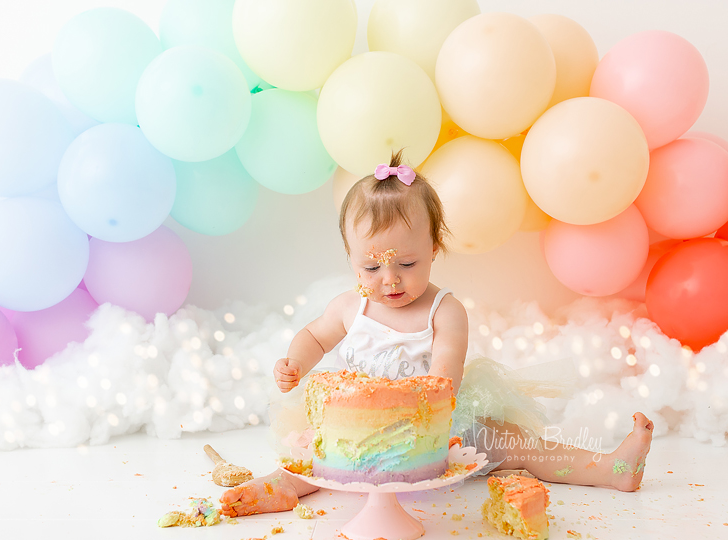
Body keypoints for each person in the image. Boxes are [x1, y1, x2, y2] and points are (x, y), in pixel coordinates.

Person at [220, 151, 654, 517]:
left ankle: (611, 468)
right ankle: (271, 490)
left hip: (436, 427)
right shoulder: (350, 307)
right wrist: (296, 362)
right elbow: (314, 337)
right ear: (350, 258)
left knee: (519, 446)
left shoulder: (444, 310)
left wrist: (429, 406)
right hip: (356, 431)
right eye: (371, 267)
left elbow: (446, 372)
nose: (389, 279)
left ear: (434, 248)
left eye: (406, 264)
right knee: (314, 461)